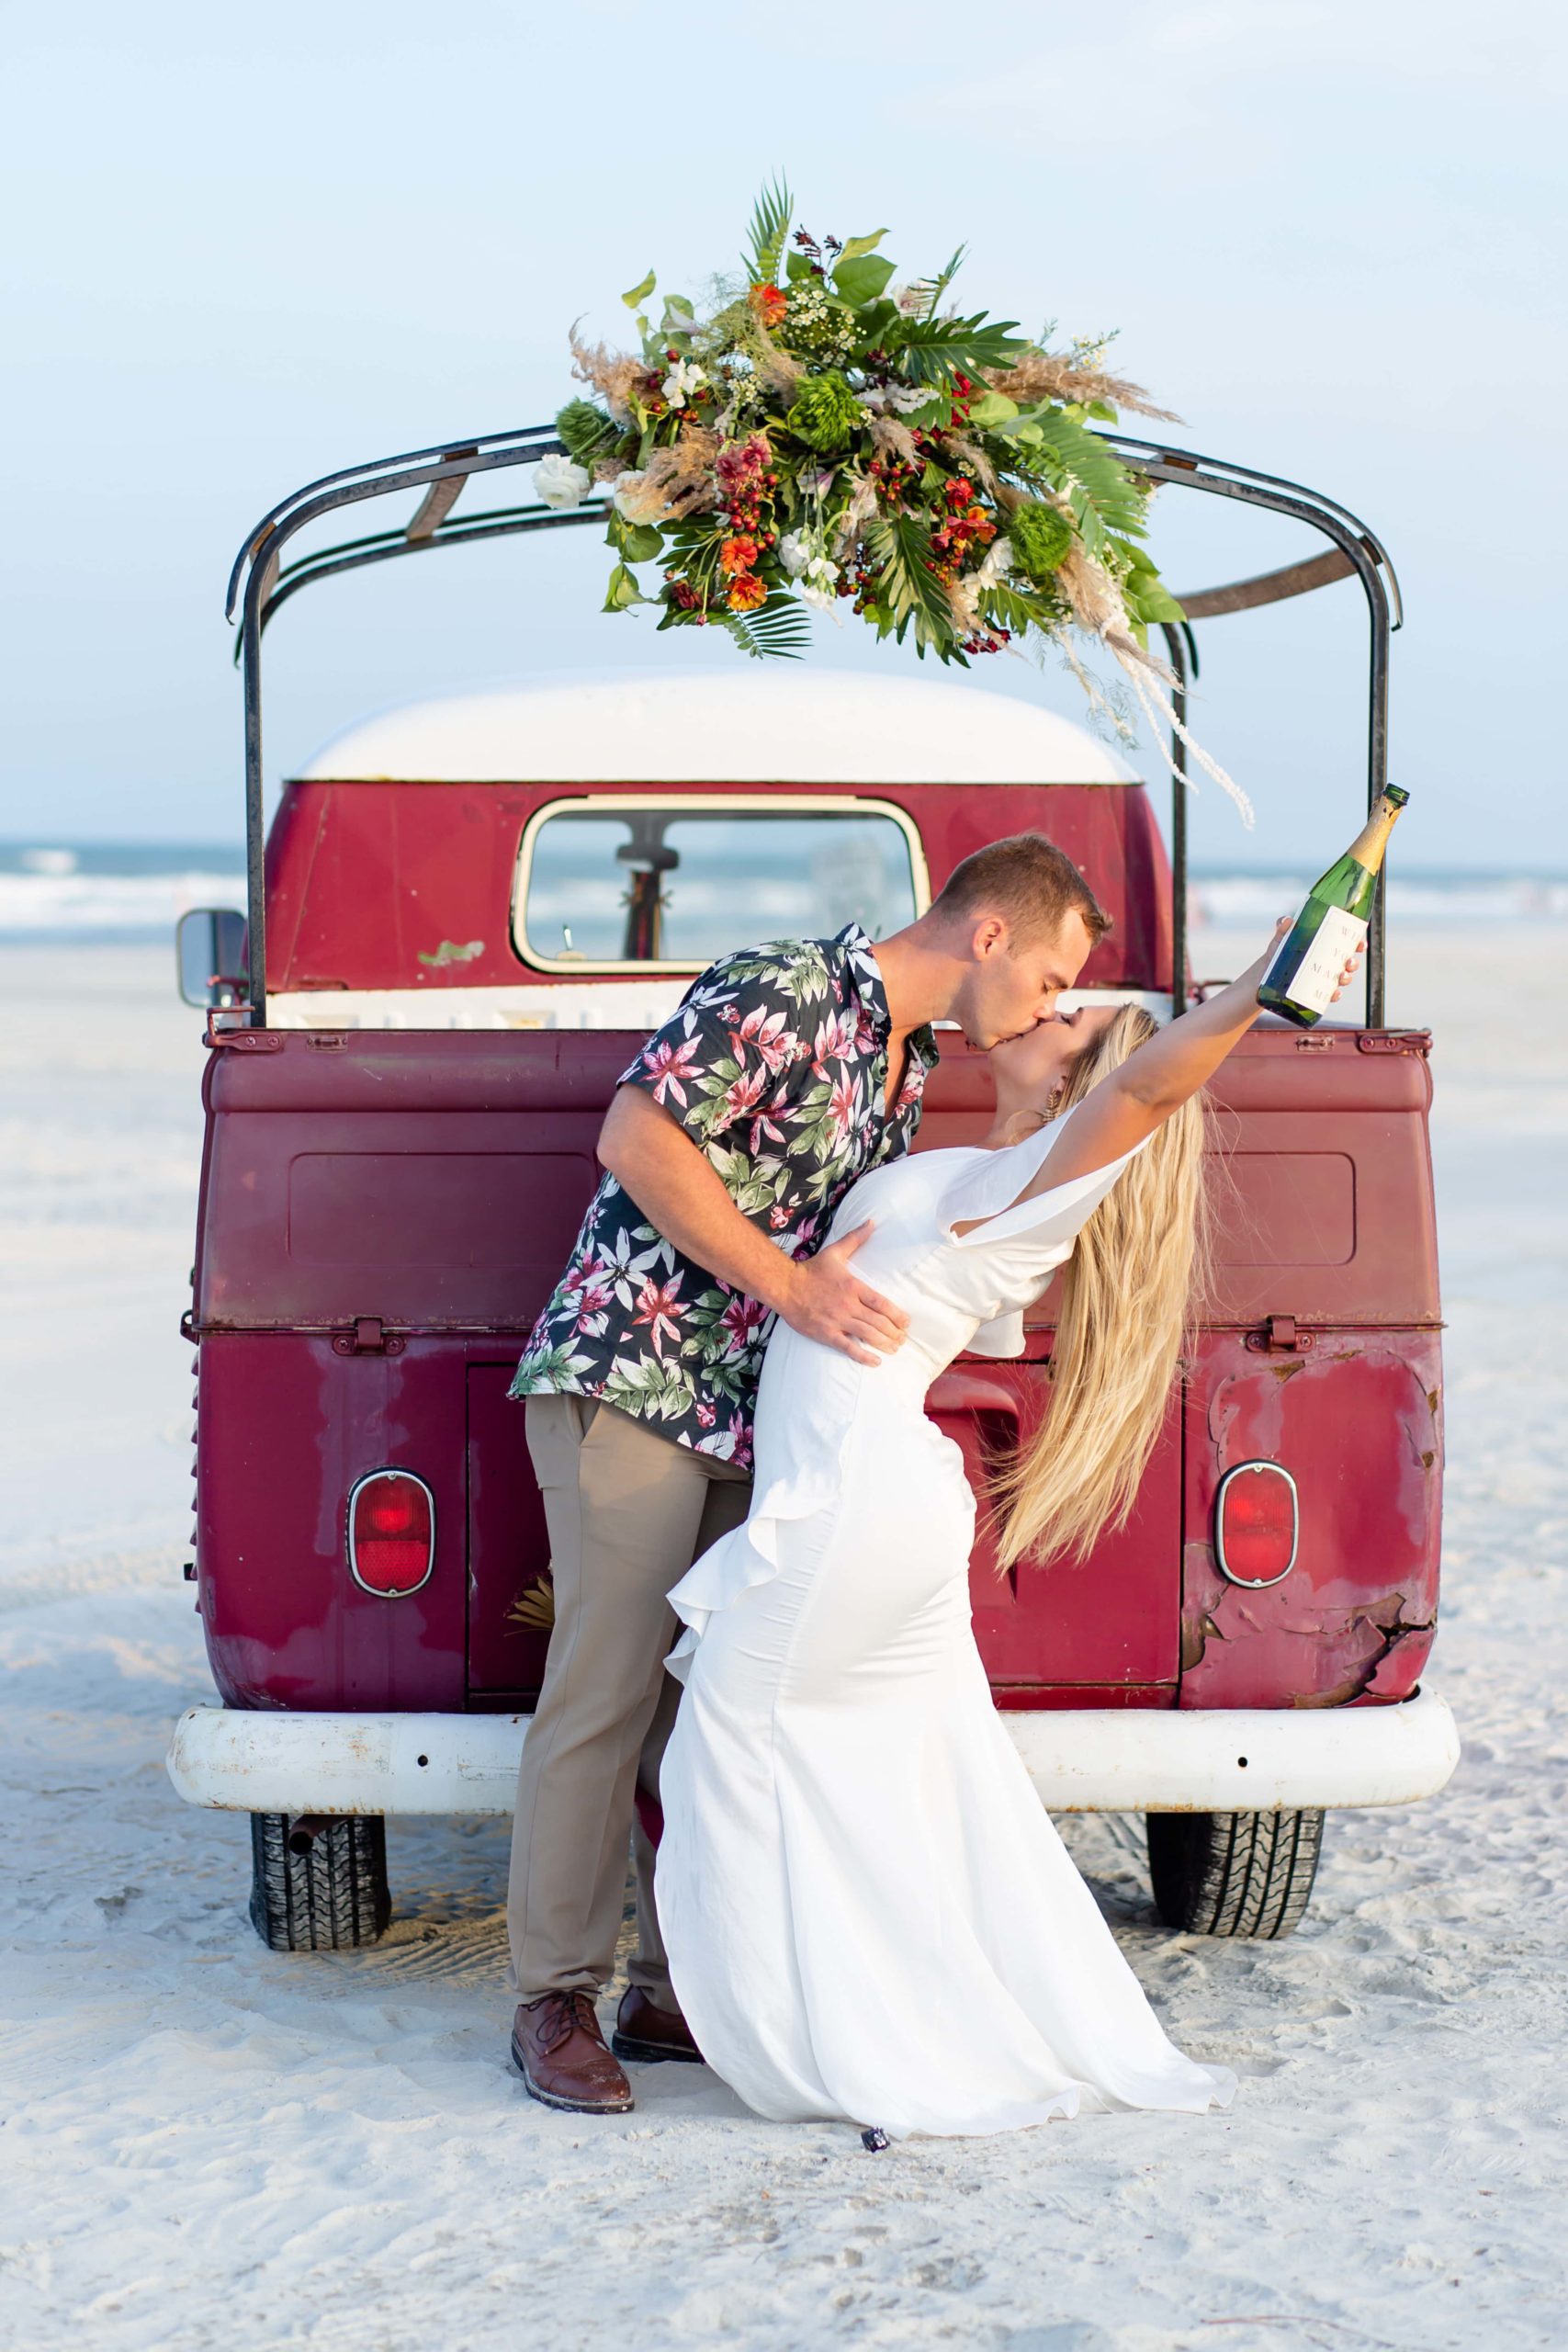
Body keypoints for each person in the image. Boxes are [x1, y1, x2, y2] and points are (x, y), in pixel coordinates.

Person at [653, 914, 1363, 2139]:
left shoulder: (1038, 1186)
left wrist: (1263, 983)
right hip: (871, 1494)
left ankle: (836, 2043)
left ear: (1087, 1085)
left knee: (737, 1741)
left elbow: (1152, 1080)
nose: (1052, 1011)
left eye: (1074, 1017)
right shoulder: (987, 1172)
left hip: (852, 1503)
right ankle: (931, 2022)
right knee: (921, 1784)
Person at [505, 832, 1111, 2114]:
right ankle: (549, 1999)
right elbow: (635, 1139)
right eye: (1053, 976)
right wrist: (789, 1287)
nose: (1052, 1005)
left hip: (752, 1417)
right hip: (634, 1377)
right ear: (989, 934)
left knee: (715, 1703)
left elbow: (911, 1223)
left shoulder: (906, 1064)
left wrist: (1022, 1100)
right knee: (607, 1688)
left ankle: (681, 1989)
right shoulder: (784, 987)